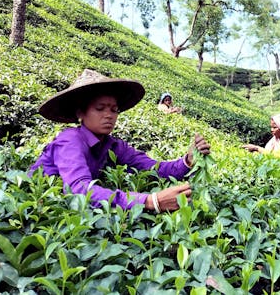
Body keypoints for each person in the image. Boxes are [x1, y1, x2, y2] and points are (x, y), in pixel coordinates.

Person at [30, 69, 211, 212]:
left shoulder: (113, 146)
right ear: (80, 113)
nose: (109, 116)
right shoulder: (70, 141)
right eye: (100, 108)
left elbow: (155, 169)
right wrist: (150, 201)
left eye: (114, 110)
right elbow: (79, 189)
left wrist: (188, 161)